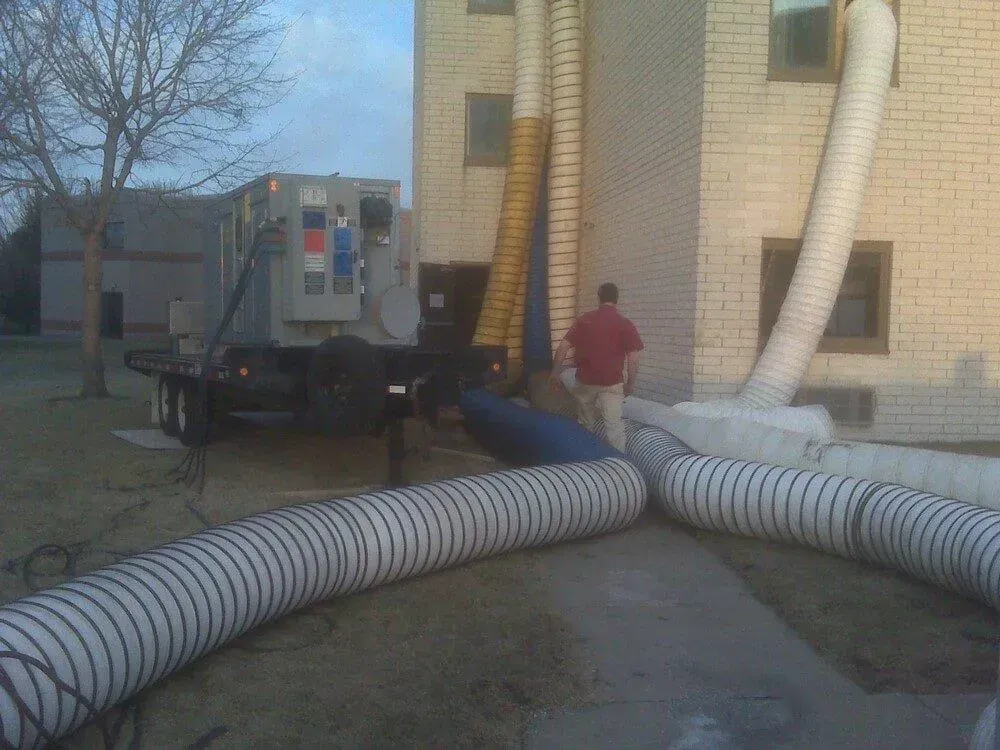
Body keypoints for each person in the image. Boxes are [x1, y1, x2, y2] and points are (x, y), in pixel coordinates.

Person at [549, 282, 643, 452]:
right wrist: (630, 384)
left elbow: (563, 346)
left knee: (585, 425)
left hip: (586, 382)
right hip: (612, 384)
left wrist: (555, 373)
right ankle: (618, 468)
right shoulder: (625, 324)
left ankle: (586, 462)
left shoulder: (585, 320)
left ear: (599, 298)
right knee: (614, 427)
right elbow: (634, 357)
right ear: (617, 300)